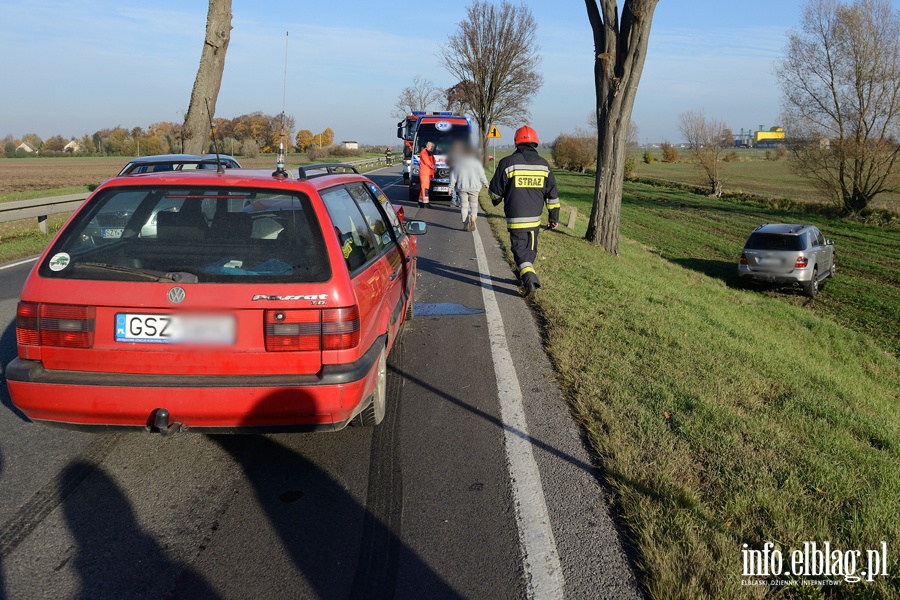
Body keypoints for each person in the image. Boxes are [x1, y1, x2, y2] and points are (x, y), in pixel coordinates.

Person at [488, 126, 559, 298]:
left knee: (519, 249)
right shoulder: (544, 165)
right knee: (529, 251)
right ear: (535, 142)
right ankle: (525, 277)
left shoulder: (507, 163)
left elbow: (495, 192)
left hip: (516, 218)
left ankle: (530, 279)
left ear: (516, 142)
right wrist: (553, 217)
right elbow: (552, 194)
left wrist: (496, 200)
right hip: (535, 220)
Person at [449, 145, 488, 231]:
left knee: (464, 206)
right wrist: (486, 184)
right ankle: (473, 217)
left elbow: (453, 177)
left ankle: (465, 224)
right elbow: (482, 175)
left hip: (462, 187)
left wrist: (450, 187)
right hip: (474, 187)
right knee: (474, 206)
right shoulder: (477, 163)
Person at [418, 141, 436, 208]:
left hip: (428, 172)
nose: (432, 148)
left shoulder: (430, 153)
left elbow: (433, 160)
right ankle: (426, 203)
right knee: (425, 188)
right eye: (432, 146)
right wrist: (432, 166)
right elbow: (427, 161)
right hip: (425, 172)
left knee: (424, 188)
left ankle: (420, 202)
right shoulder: (424, 152)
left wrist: (434, 166)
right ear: (428, 146)